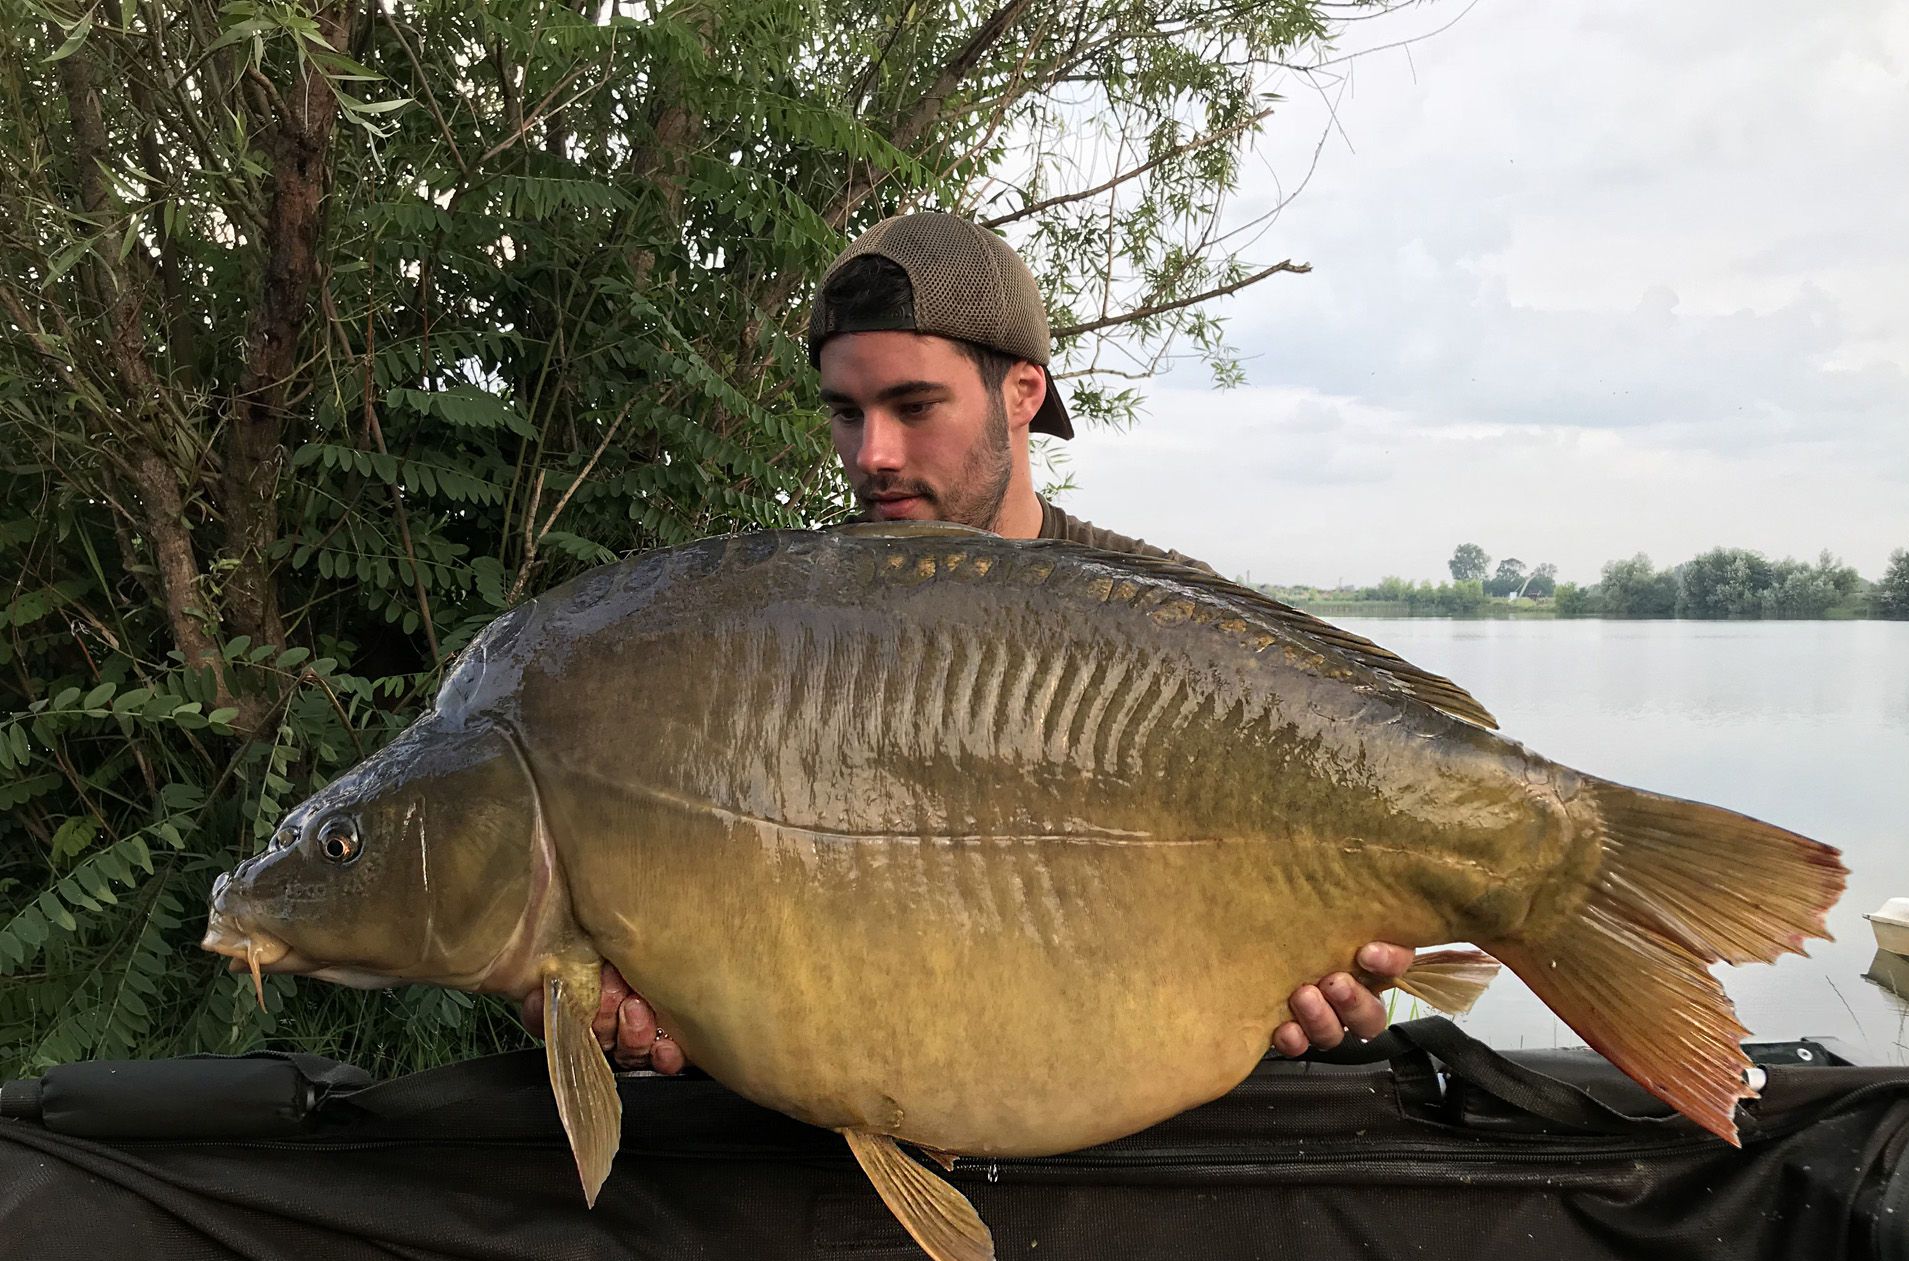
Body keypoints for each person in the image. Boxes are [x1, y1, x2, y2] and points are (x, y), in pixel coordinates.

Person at [524, 212, 1422, 1071]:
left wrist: (1325, 1003)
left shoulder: (1178, 631)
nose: (871, 453)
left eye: (915, 406)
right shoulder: (787, 637)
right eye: (845, 412)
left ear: (1022, 391)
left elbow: (1305, 954)